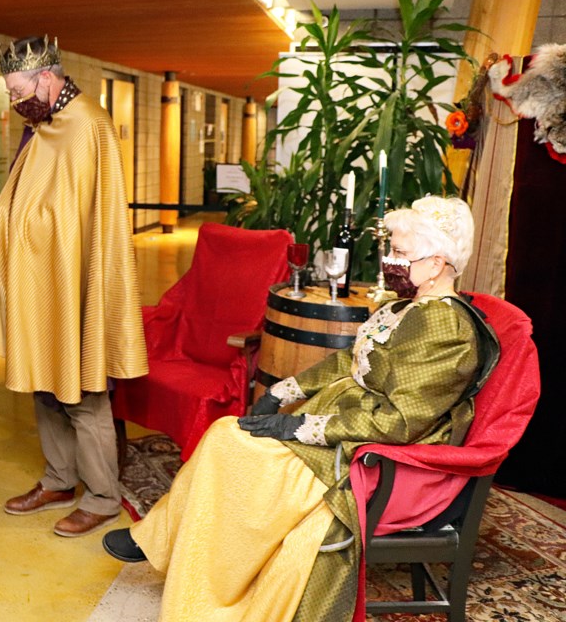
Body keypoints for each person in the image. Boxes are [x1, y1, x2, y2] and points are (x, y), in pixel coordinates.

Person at [102, 196, 500, 621]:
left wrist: (300, 427)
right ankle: (164, 543)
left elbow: (400, 421)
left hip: (369, 452)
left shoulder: (444, 325)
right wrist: (285, 391)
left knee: (230, 445)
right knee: (225, 433)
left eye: (400, 254)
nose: (389, 261)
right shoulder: (408, 307)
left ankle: (177, 558)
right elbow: (351, 360)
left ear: (437, 263)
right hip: (349, 418)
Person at [0, 35, 148, 537]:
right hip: (38, 279)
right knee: (44, 387)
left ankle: (105, 496)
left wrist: (36, 234)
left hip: (73, 280)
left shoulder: (89, 124)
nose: (14, 101)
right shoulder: (41, 125)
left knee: (83, 393)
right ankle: (60, 479)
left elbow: (87, 220)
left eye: (18, 90)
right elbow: (24, 198)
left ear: (46, 78)